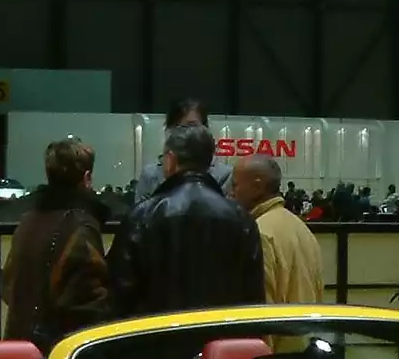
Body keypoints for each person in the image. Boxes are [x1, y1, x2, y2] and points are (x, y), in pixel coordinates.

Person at [107, 122, 263, 317]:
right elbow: (253, 298)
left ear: (170, 160)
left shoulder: (142, 216)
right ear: (209, 161)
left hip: (157, 333)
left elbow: (120, 295)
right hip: (220, 333)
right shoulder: (241, 219)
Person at [1, 137, 112, 351]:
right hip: (58, 349)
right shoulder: (81, 226)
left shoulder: (28, 221)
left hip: (19, 343)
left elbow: (8, 285)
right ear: (87, 178)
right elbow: (90, 299)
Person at [229, 153, 322, 306]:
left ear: (257, 187)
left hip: (278, 321)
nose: (231, 193)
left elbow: (261, 307)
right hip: (307, 320)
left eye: (235, 185)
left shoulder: (259, 233)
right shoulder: (301, 228)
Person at [133, 99, 232, 198]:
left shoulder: (223, 175)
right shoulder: (150, 175)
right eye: (177, 127)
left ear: (205, 129)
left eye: (191, 126)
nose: (184, 133)